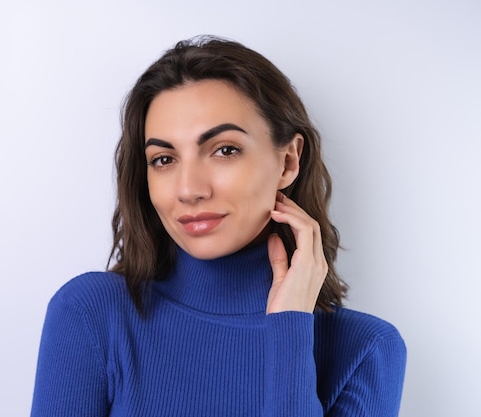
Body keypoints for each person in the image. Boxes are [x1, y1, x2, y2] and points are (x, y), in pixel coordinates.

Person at [30, 36, 406, 416]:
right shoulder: (93, 314)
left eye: (225, 150)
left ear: (288, 161)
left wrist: (290, 329)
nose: (189, 190)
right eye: (163, 159)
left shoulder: (366, 349)